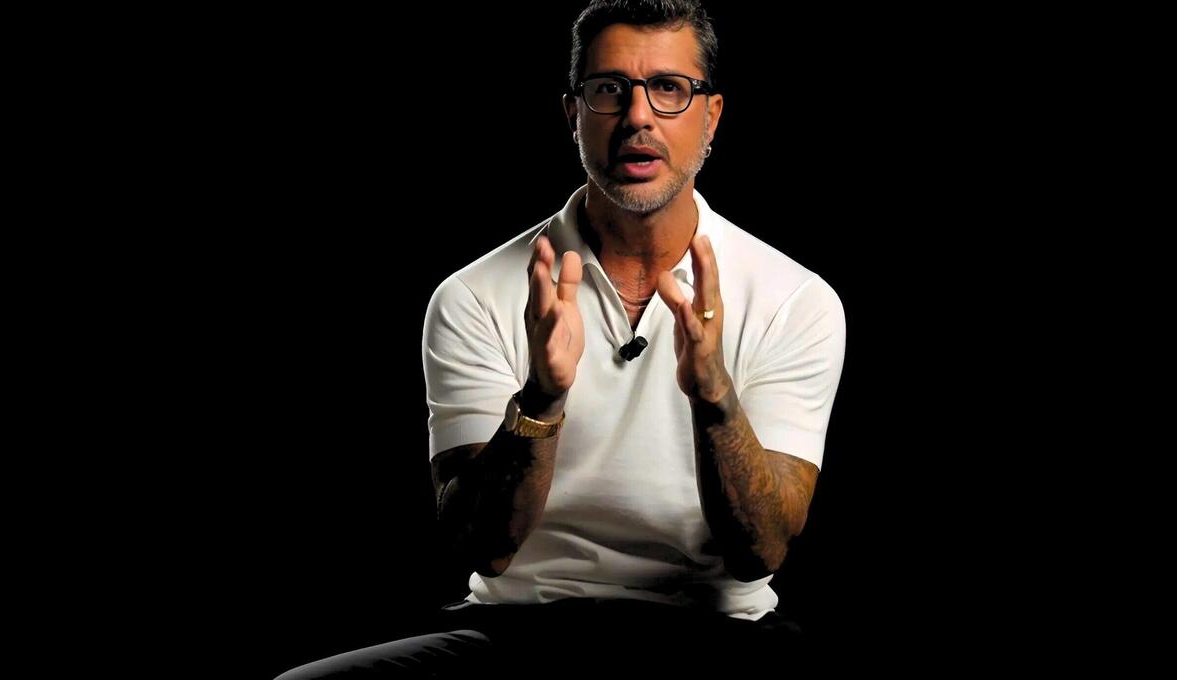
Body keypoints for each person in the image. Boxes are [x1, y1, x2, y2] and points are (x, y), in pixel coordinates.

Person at [276, 1, 845, 676]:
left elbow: (762, 550)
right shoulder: (473, 295)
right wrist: (541, 400)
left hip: (721, 633)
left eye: (669, 88)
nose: (638, 117)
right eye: (610, 89)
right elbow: (482, 549)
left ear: (711, 116)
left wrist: (714, 397)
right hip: (516, 629)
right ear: (574, 114)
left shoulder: (795, 300)